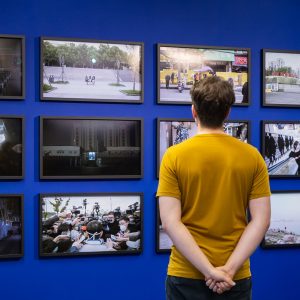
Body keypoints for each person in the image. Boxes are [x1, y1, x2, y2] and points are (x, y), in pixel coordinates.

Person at [157, 76, 271, 299]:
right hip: (235, 276)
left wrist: (209, 272)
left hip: (185, 274)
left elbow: (170, 222)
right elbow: (261, 221)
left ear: (193, 111)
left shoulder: (174, 156)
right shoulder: (252, 156)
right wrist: (227, 270)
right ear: (228, 113)